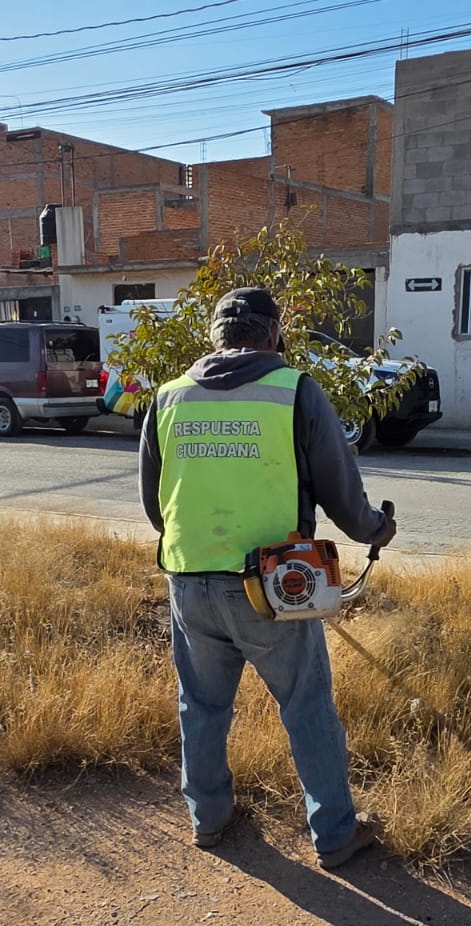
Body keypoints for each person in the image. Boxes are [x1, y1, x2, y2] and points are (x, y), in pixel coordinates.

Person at [138, 287, 396, 870]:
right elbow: (344, 498)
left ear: (216, 337)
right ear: (273, 334)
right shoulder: (296, 392)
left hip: (189, 581)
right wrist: (377, 530)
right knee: (306, 706)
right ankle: (333, 834)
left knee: (200, 706)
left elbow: (157, 505)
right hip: (273, 586)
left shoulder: (170, 399)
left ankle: (208, 819)